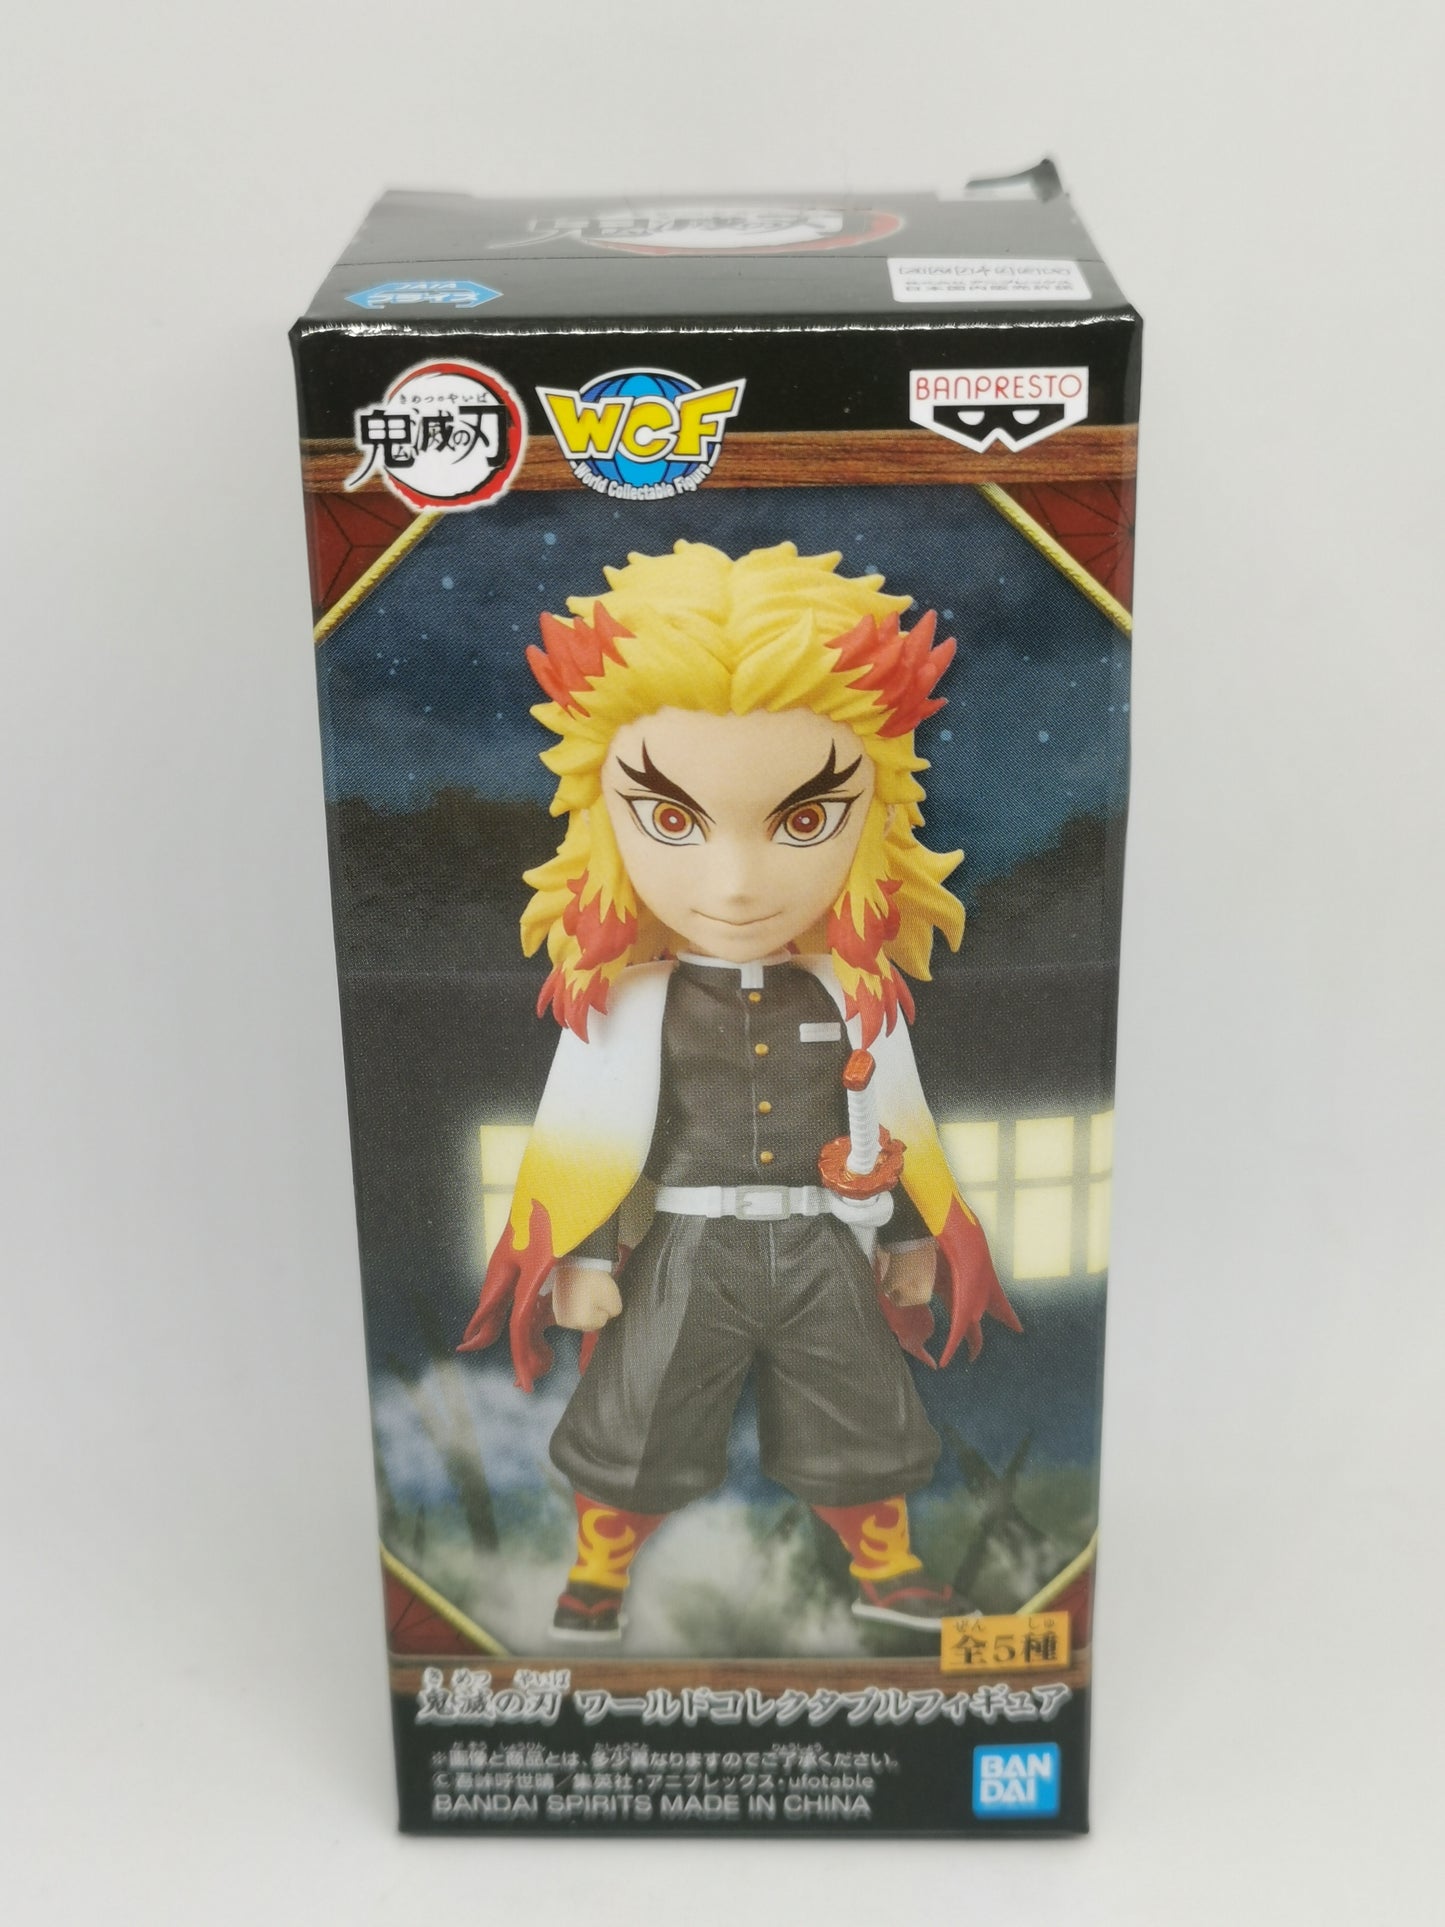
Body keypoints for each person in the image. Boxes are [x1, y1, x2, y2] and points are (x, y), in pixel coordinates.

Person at [460, 540, 1019, 1642]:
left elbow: (889, 1119)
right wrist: (580, 1256)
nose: (735, 882)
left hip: (821, 1242)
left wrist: (911, 1233)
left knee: (859, 1403)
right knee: (637, 1408)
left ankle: (889, 1567)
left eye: (804, 819)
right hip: (687, 1244)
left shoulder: (852, 995)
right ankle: (597, 1569)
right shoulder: (629, 1008)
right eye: (671, 819)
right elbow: (592, 1138)